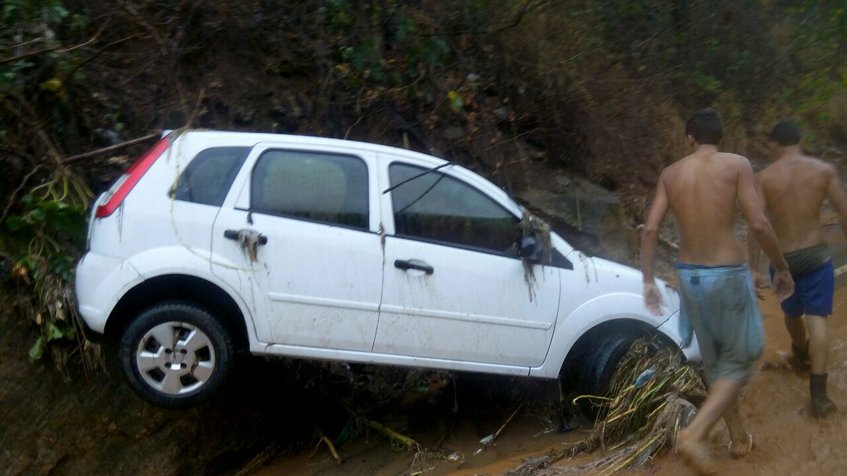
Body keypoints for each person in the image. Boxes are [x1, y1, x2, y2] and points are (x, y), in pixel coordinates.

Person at [640, 108, 794, 474]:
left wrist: (647, 280)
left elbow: (649, 230)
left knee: (716, 364)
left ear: (690, 138)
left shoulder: (670, 174)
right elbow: (758, 222)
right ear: (720, 138)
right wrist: (782, 267)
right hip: (725, 274)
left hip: (688, 277)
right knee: (741, 359)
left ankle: (739, 437)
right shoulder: (737, 164)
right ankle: (695, 434)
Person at [749, 120, 847, 418]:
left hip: (784, 261)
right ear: (800, 140)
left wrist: (752, 267)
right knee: (818, 318)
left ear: (774, 144)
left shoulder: (764, 177)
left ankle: (800, 352)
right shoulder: (823, 170)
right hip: (817, 254)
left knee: (791, 313)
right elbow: (844, 213)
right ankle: (818, 396)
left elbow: (756, 225)